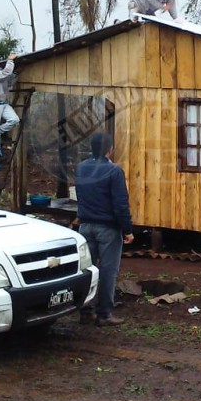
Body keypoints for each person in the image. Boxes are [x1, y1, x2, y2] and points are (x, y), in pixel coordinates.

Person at [76, 132, 135, 327]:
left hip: (85, 226)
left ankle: (86, 311)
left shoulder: (81, 168)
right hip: (108, 228)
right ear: (110, 149)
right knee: (108, 271)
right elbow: (120, 204)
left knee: (87, 270)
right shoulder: (114, 171)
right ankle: (104, 313)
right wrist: (127, 229)